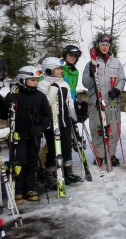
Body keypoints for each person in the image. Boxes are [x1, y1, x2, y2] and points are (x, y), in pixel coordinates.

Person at [4, 66, 51, 203]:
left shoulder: (40, 96)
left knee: (32, 161)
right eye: (32, 80)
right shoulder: (16, 94)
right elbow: (4, 113)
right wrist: (7, 102)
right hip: (20, 135)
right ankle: (18, 190)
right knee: (19, 162)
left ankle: (30, 188)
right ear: (23, 80)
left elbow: (47, 115)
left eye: (37, 80)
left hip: (34, 134)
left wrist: (41, 127)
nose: (36, 82)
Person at [82, 34, 126, 167]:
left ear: (110, 46)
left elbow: (122, 79)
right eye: (102, 45)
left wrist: (118, 90)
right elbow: (86, 84)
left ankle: (111, 154)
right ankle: (100, 155)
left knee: (113, 129)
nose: (105, 47)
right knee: (97, 129)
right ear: (98, 45)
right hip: (96, 102)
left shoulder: (116, 63)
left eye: (107, 45)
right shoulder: (91, 63)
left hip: (112, 102)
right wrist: (91, 74)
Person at [38, 57, 82, 188]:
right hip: (51, 123)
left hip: (64, 121)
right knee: (52, 149)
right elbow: (46, 103)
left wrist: (75, 116)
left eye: (60, 69)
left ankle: (67, 172)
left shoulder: (64, 84)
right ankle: (49, 174)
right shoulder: (42, 85)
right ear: (49, 70)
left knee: (66, 147)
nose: (61, 71)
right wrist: (53, 88)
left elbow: (69, 103)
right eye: (58, 69)